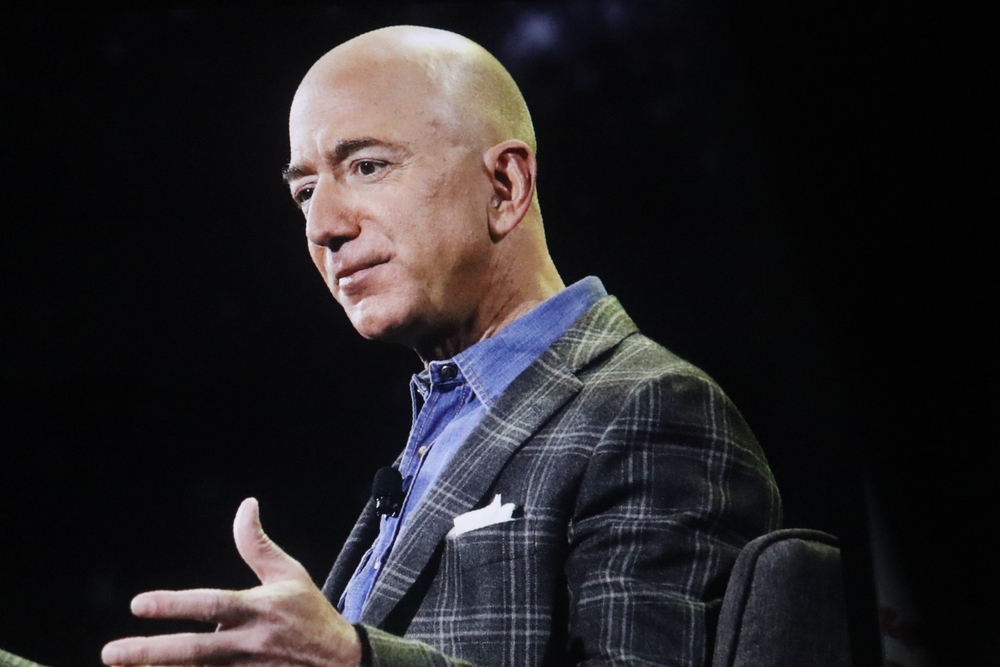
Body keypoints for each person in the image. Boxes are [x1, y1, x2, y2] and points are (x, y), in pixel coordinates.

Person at [102, 25, 781, 667]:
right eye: (305, 191)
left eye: (367, 166)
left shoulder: (651, 407)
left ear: (505, 186)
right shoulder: (445, 421)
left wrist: (354, 657)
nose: (323, 225)